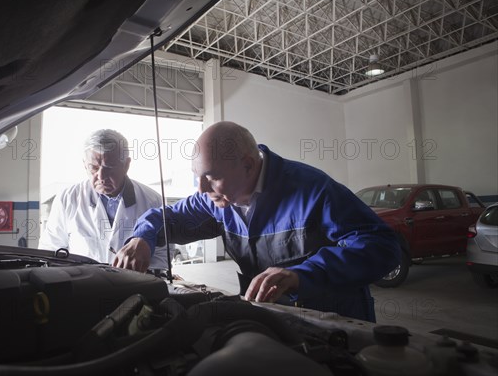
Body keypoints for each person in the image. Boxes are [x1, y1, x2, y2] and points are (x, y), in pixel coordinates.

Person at [113, 121, 401, 321]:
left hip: (337, 324)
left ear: (249, 164)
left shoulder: (313, 191)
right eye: (196, 176)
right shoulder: (215, 199)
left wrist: (302, 275)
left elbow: (383, 247)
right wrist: (143, 237)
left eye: (211, 177)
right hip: (270, 320)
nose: (200, 188)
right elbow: (167, 217)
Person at [39, 129, 170, 271]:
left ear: (126, 165)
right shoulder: (67, 199)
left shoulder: (153, 201)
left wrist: (143, 277)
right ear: (84, 164)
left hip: (134, 287)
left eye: (110, 167)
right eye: (93, 168)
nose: (101, 176)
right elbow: (51, 251)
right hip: (82, 287)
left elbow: (162, 255)